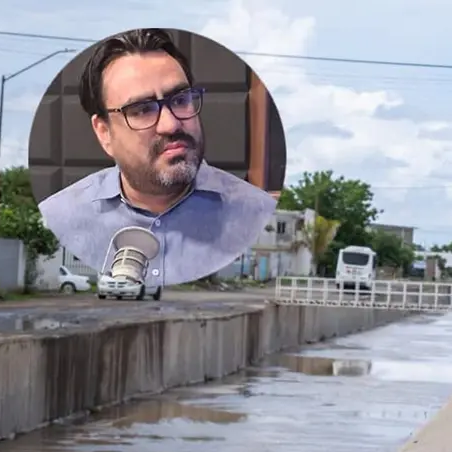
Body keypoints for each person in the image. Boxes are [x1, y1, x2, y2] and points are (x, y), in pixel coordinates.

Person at [37, 28, 277, 286]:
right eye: (141, 110)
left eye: (180, 99)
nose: (171, 124)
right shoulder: (61, 216)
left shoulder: (256, 212)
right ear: (104, 132)